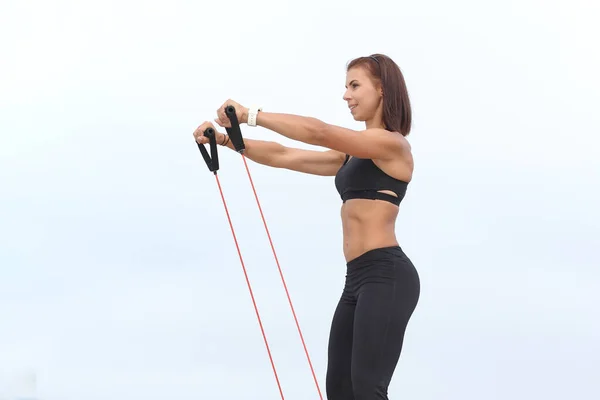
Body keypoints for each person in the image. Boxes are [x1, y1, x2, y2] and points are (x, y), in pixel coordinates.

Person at [193, 53, 420, 399]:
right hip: (356, 279)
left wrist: (250, 116)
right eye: (346, 87)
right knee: (340, 390)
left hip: (387, 276)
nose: (346, 95)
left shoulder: (392, 145)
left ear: (382, 90)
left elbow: (319, 132)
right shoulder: (351, 156)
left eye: (355, 85)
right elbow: (285, 156)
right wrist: (227, 141)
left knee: (367, 388)